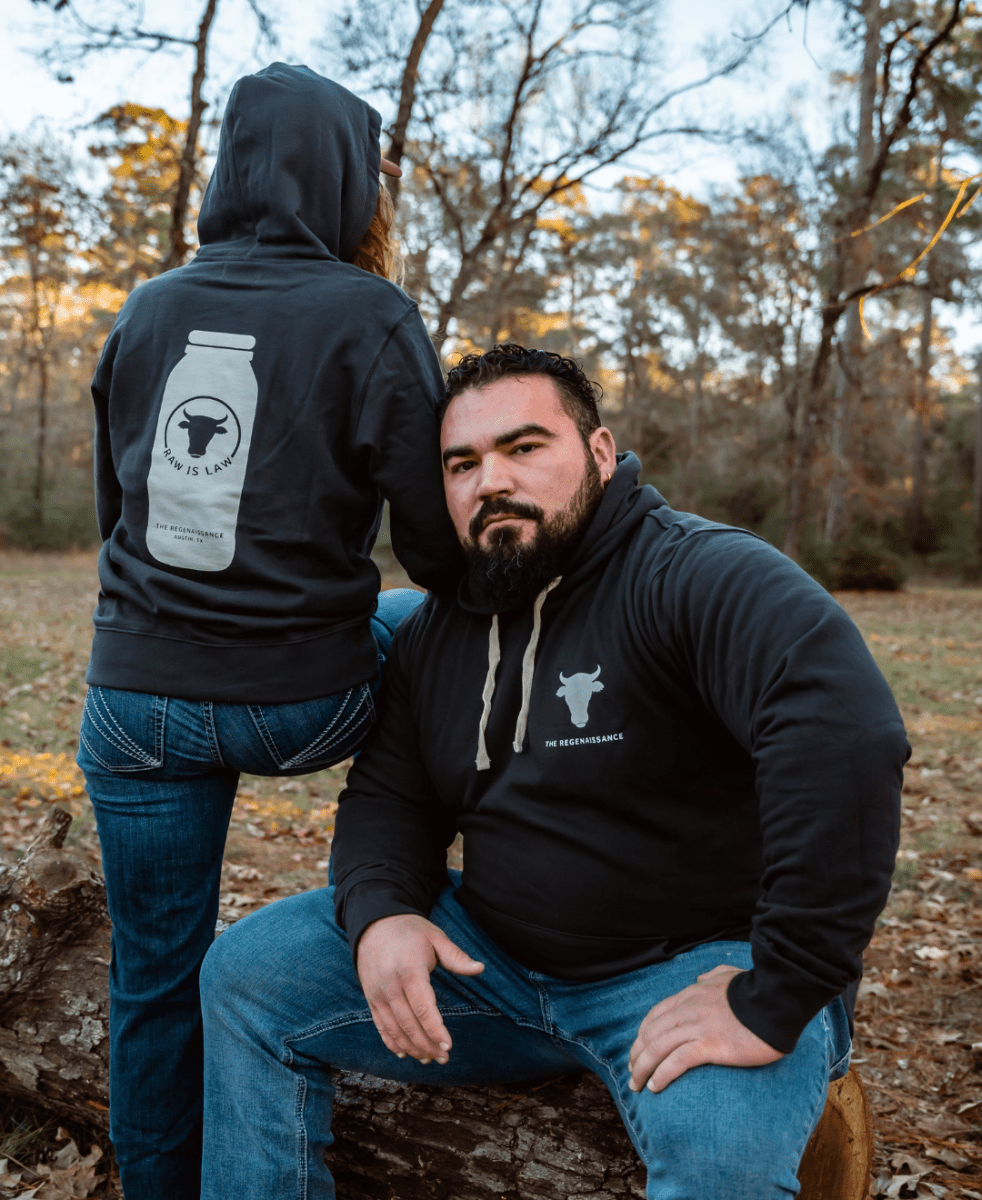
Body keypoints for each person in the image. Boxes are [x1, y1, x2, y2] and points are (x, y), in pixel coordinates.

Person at [199, 343, 907, 1199]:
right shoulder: (437, 628)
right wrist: (383, 913)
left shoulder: (699, 575)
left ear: (600, 453)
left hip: (690, 972)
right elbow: (391, 798)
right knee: (248, 976)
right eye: (462, 463)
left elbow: (848, 741)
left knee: (721, 1163)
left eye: (524, 447)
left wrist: (780, 991)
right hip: (491, 967)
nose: (491, 481)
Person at [76, 63, 462, 1200]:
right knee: (424, 619)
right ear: (348, 180)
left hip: (135, 701)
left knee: (152, 977)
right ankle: (497, 896)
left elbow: (115, 510)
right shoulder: (374, 315)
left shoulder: (149, 308)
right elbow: (436, 550)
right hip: (302, 705)